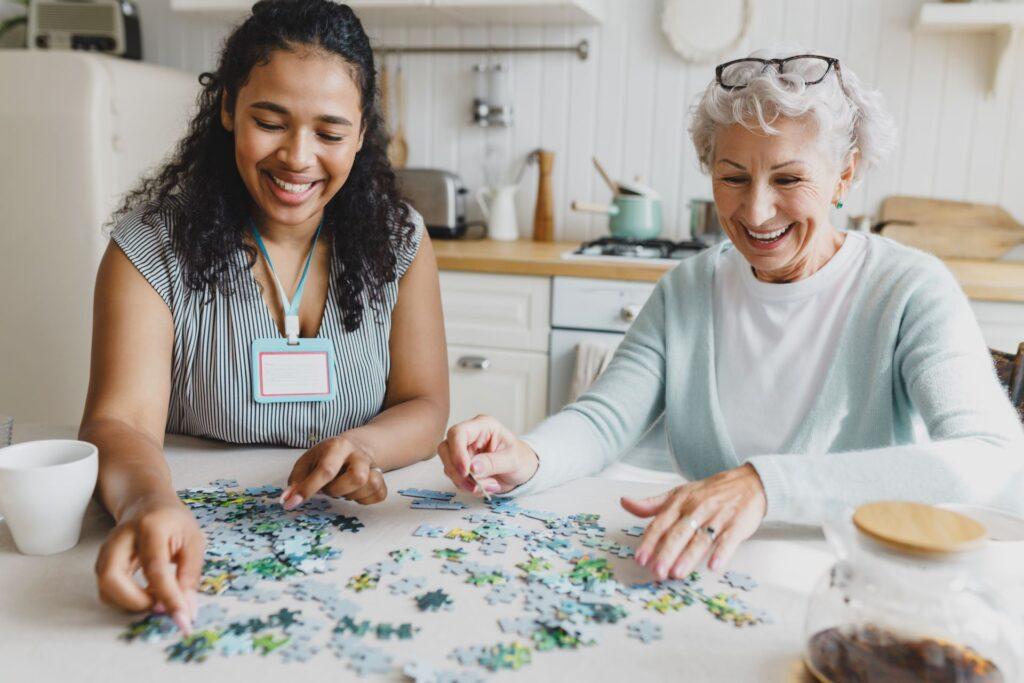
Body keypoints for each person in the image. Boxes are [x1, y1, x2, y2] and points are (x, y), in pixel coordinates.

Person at [438, 49, 1024, 585]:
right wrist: (527, 457)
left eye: (789, 178)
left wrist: (765, 486)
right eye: (733, 178)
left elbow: (987, 456)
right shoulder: (687, 288)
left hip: (857, 583)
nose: (756, 209)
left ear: (844, 176)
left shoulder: (908, 288)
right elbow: (602, 419)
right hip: (703, 576)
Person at [80, 0, 448, 634]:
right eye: (270, 122)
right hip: (197, 538)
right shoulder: (149, 249)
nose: (298, 158)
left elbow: (425, 402)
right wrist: (147, 504)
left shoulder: (400, 240)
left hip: (356, 557)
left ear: (362, 135)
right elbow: (118, 423)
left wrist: (364, 448)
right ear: (228, 109)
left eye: (330, 133)